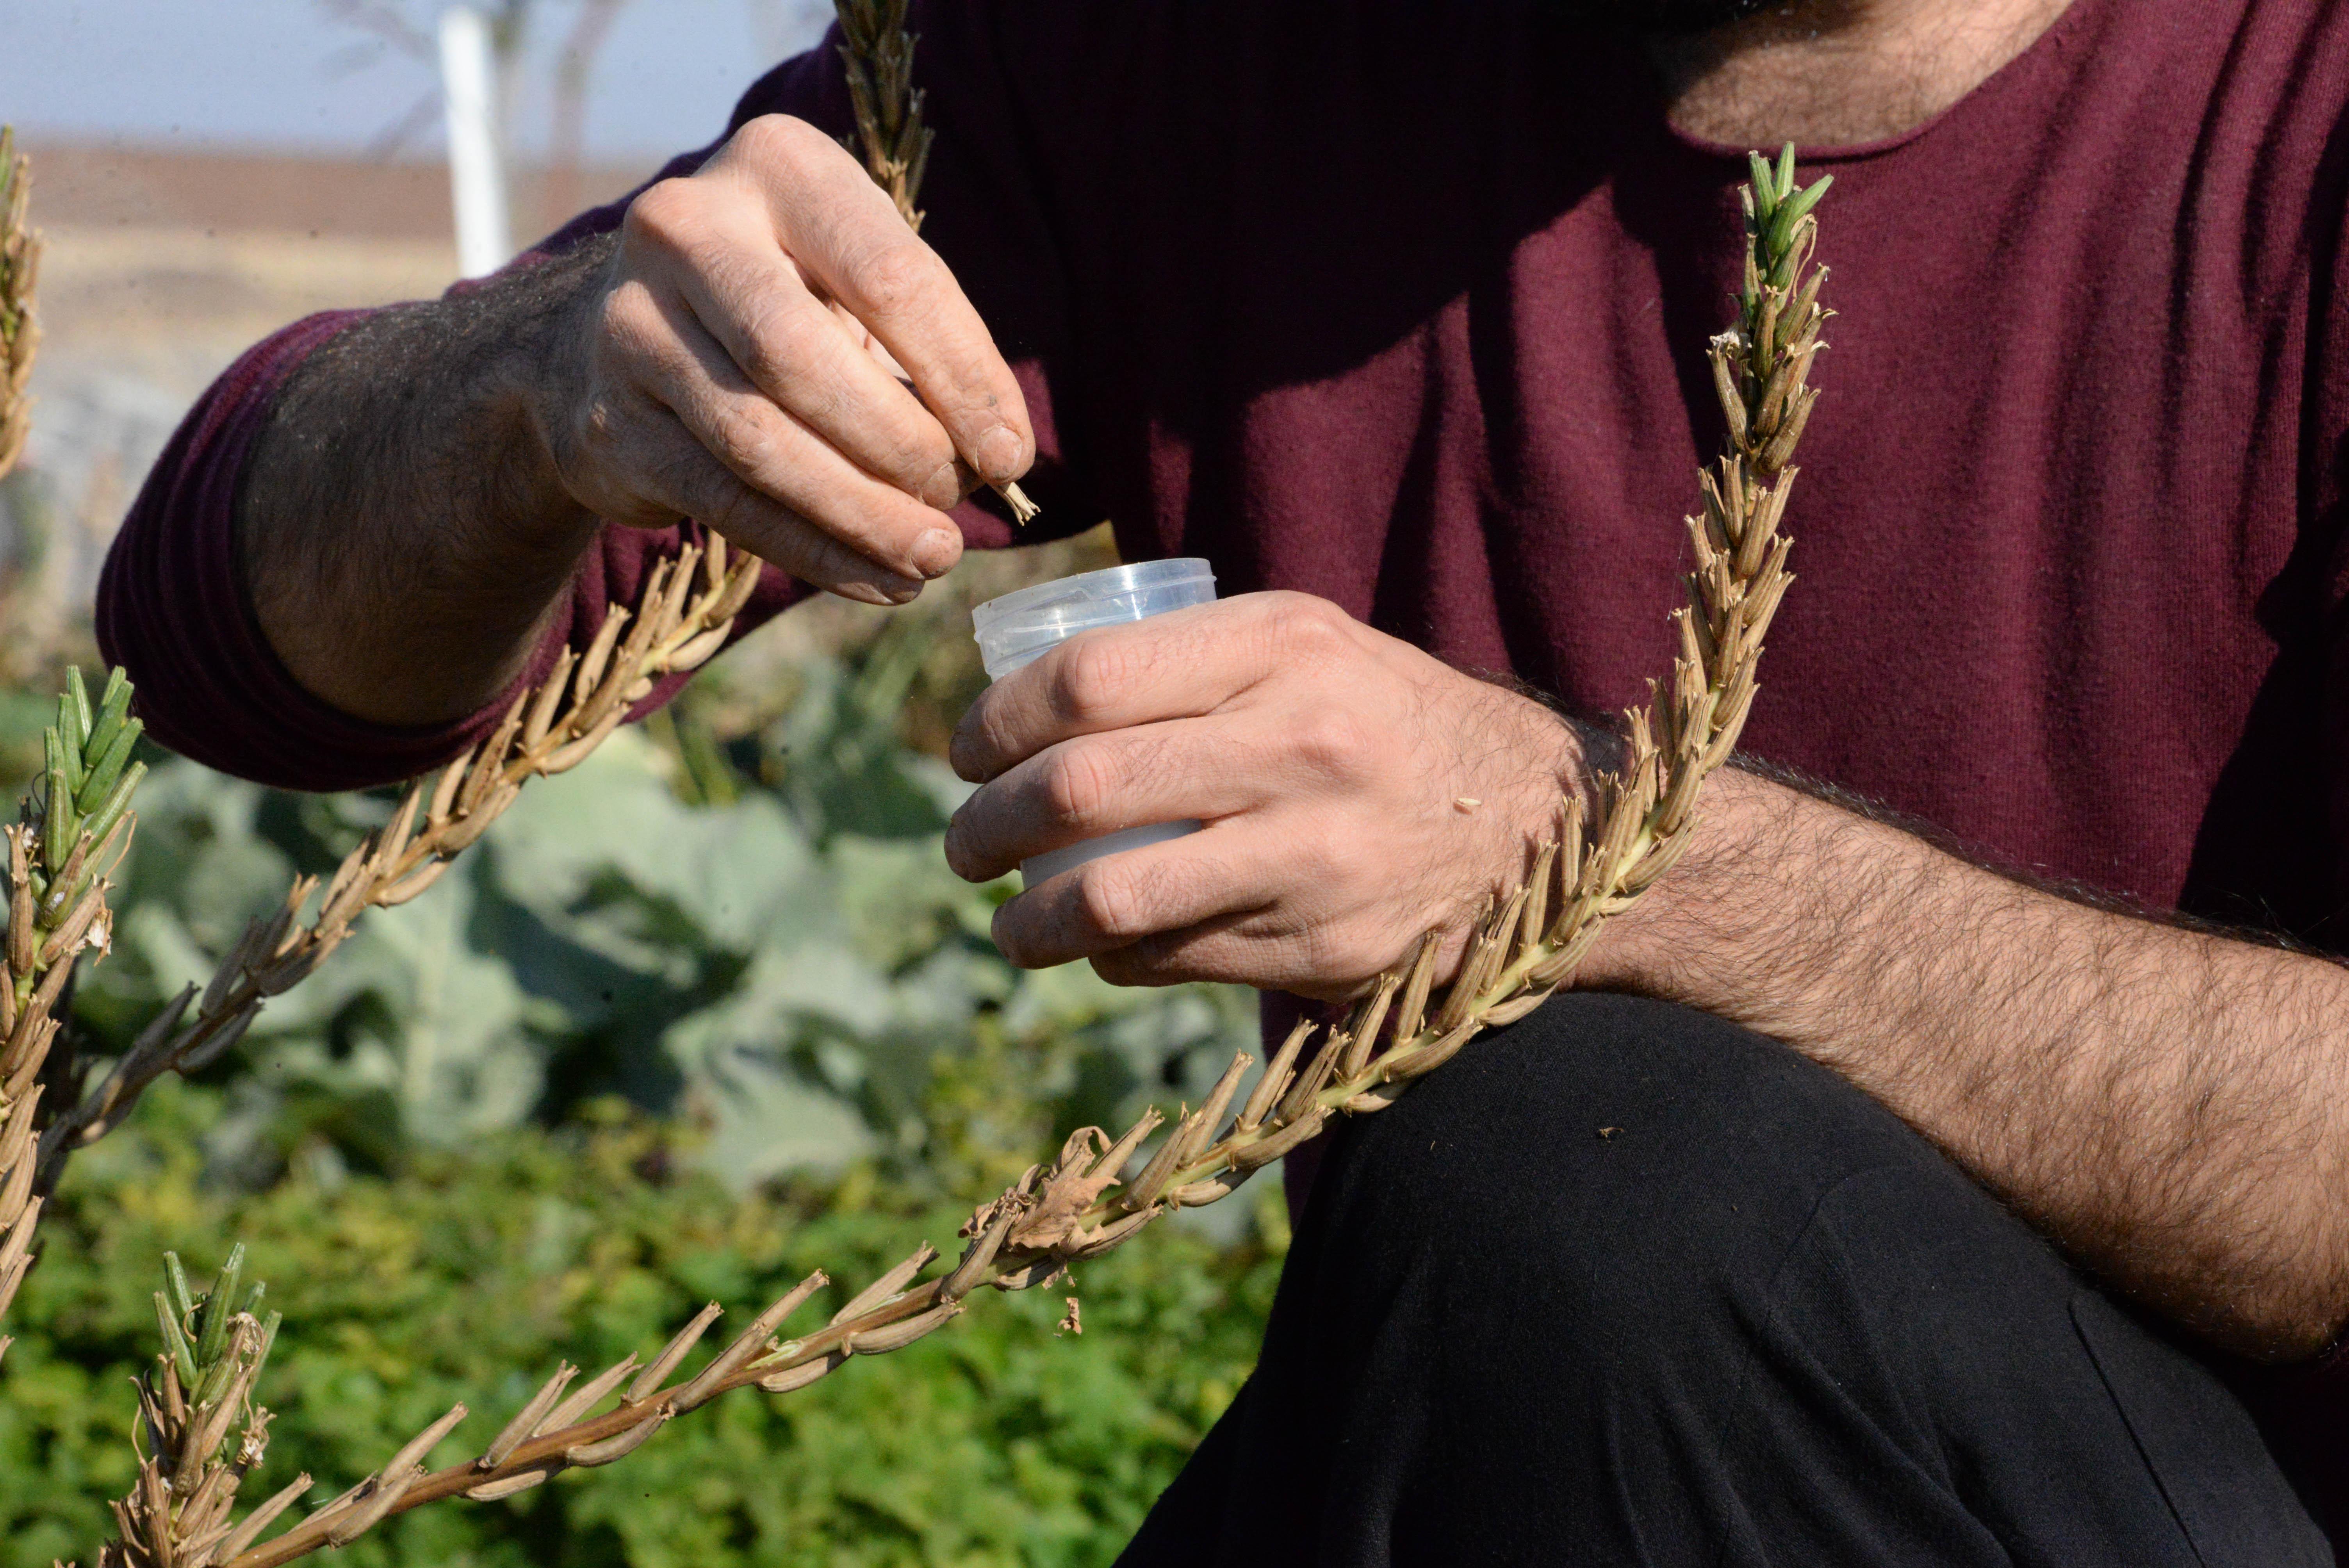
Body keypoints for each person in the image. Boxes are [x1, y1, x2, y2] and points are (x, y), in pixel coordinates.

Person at [98, 0, 2349, 1560]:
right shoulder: (1196, 64)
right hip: (1531, 1462)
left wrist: (1604, 853)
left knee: (1609, 1167)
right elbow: (235, 647)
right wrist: (531, 397)